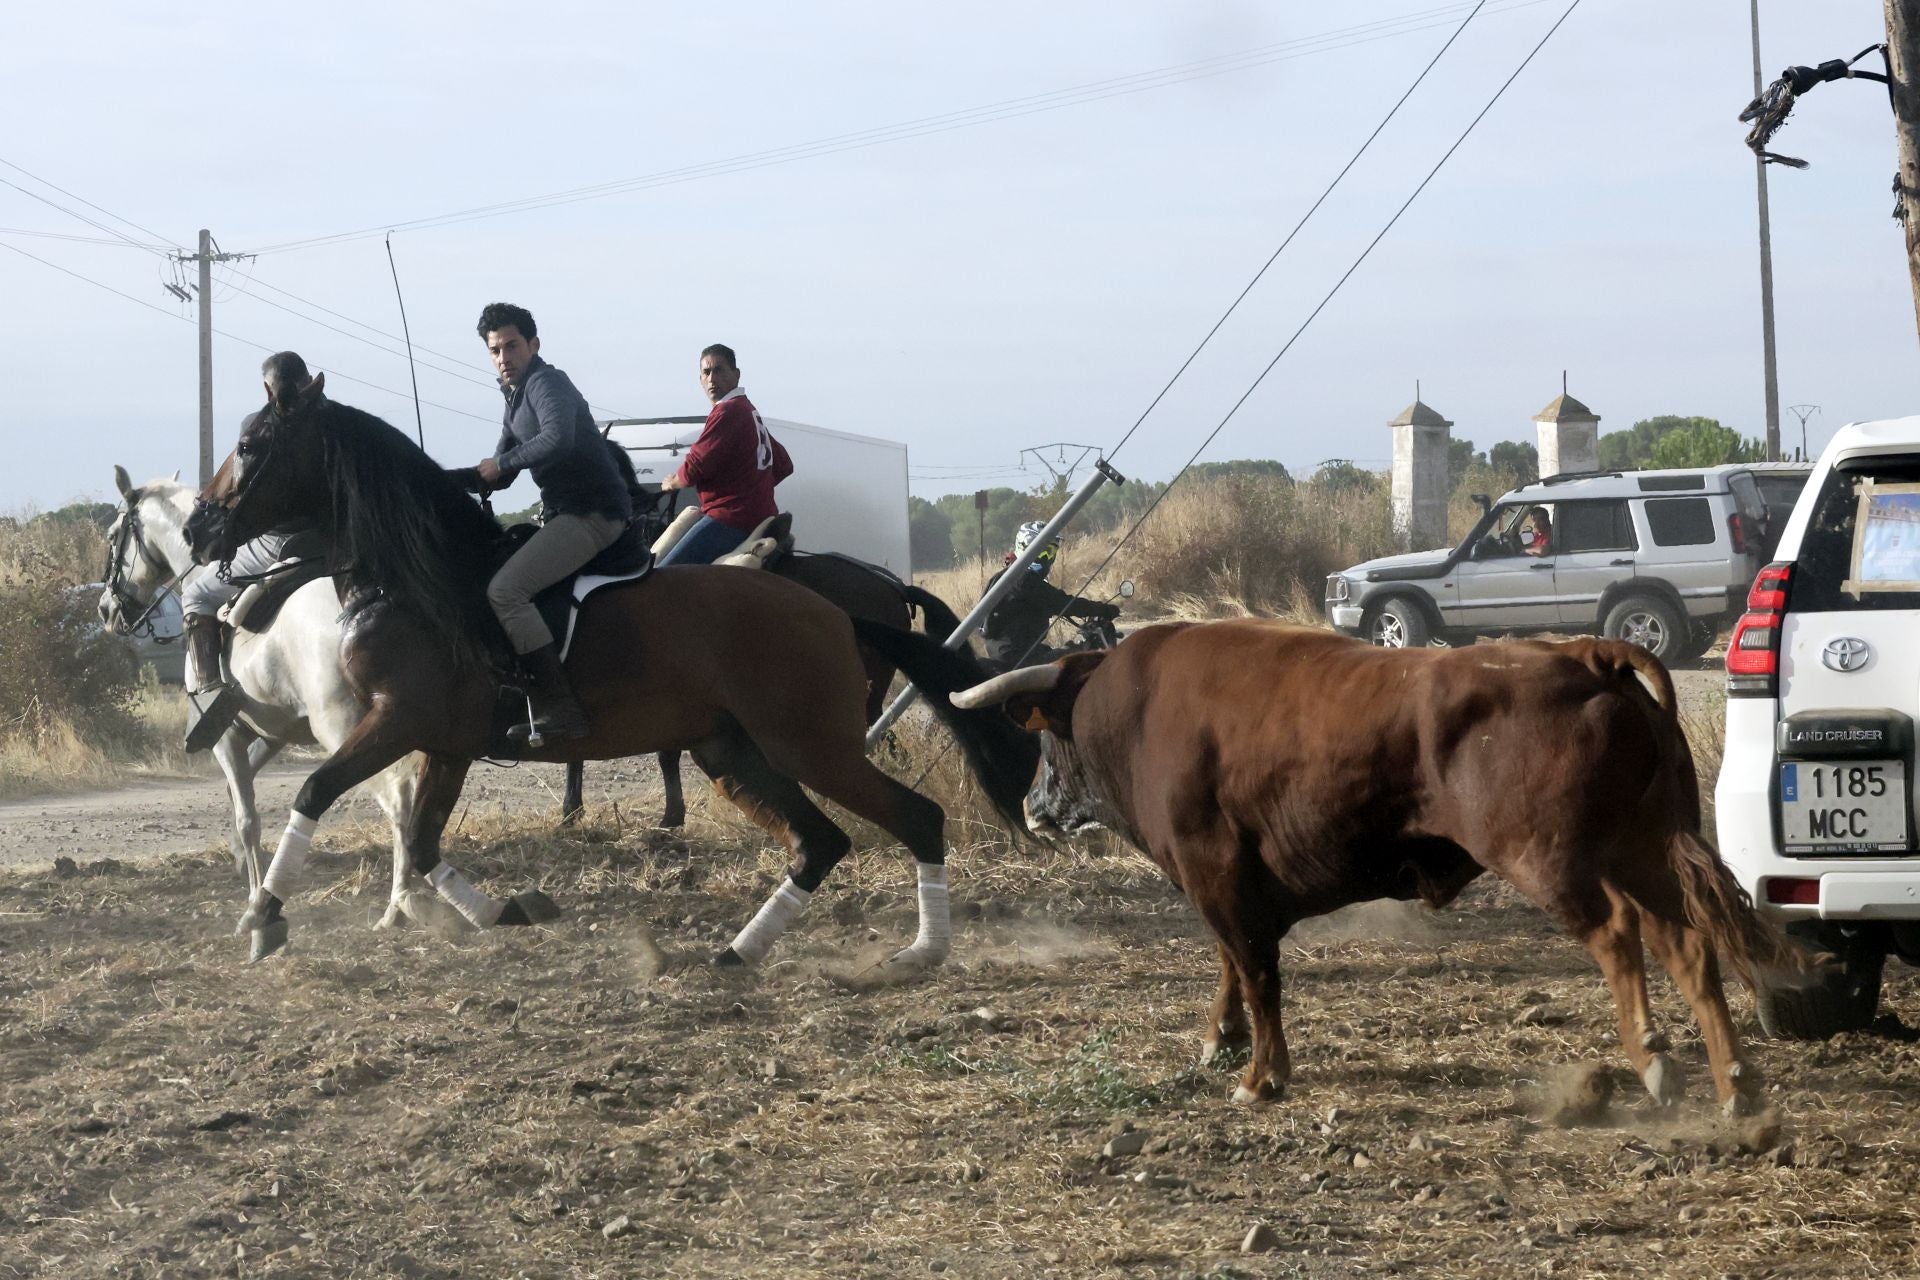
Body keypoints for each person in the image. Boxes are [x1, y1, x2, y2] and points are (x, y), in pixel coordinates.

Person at [473, 302, 633, 743]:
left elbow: (556, 440)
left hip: (593, 513)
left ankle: (561, 709)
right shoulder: (514, 399)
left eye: (511, 346)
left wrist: (500, 462)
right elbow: (500, 474)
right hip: (567, 514)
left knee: (505, 591)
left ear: (533, 345)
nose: (503, 357)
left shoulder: (547, 383)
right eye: (494, 351)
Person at [179, 351, 319, 753]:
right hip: (330, 542)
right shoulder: (331, 423)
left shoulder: (258, 427)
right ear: (308, 381)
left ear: (267, 389)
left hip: (280, 542)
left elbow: (238, 493)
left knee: (197, 593)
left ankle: (208, 696)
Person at [656, 343, 793, 566]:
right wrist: (752, 486)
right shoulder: (749, 411)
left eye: (719, 370)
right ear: (700, 379)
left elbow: (697, 464)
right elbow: (784, 465)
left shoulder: (728, 410)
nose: (712, 379)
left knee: (663, 578)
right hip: (762, 515)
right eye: (706, 372)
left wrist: (672, 482)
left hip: (730, 518)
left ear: (736, 375)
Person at [979, 521, 1120, 668]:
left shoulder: (1005, 577)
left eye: (1051, 551)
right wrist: (1104, 610)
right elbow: (1063, 603)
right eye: (1041, 551)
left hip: (1018, 653)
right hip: (1019, 659)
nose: (1046, 557)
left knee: (1070, 650)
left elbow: (1054, 602)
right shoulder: (1023, 580)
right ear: (1024, 548)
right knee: (1080, 655)